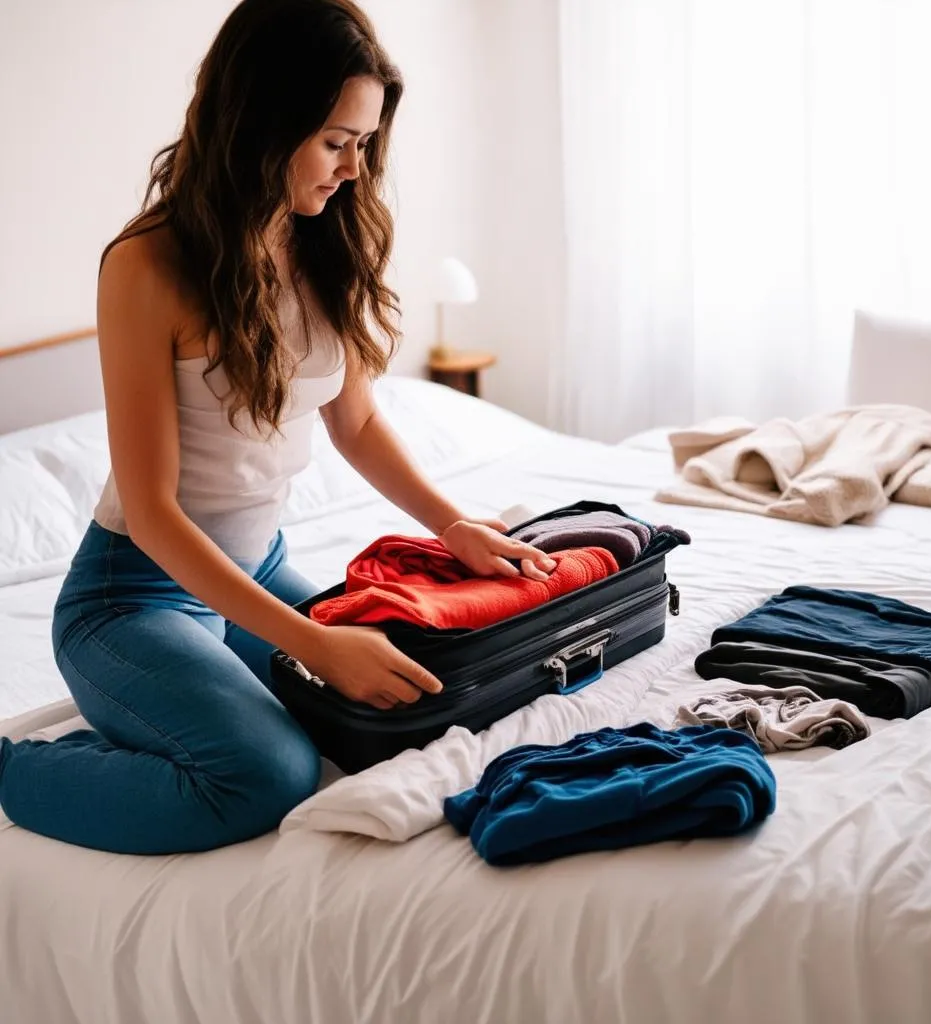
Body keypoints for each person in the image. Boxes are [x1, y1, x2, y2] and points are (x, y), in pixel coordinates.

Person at [0, 0, 556, 856]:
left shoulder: (325, 238)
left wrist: (455, 528)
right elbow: (150, 512)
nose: (353, 170)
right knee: (266, 776)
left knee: (420, 708)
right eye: (336, 142)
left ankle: (167, 718)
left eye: (364, 144)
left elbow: (359, 422)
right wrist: (313, 644)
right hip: (132, 596)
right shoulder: (146, 265)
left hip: (254, 569)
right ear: (263, 119)